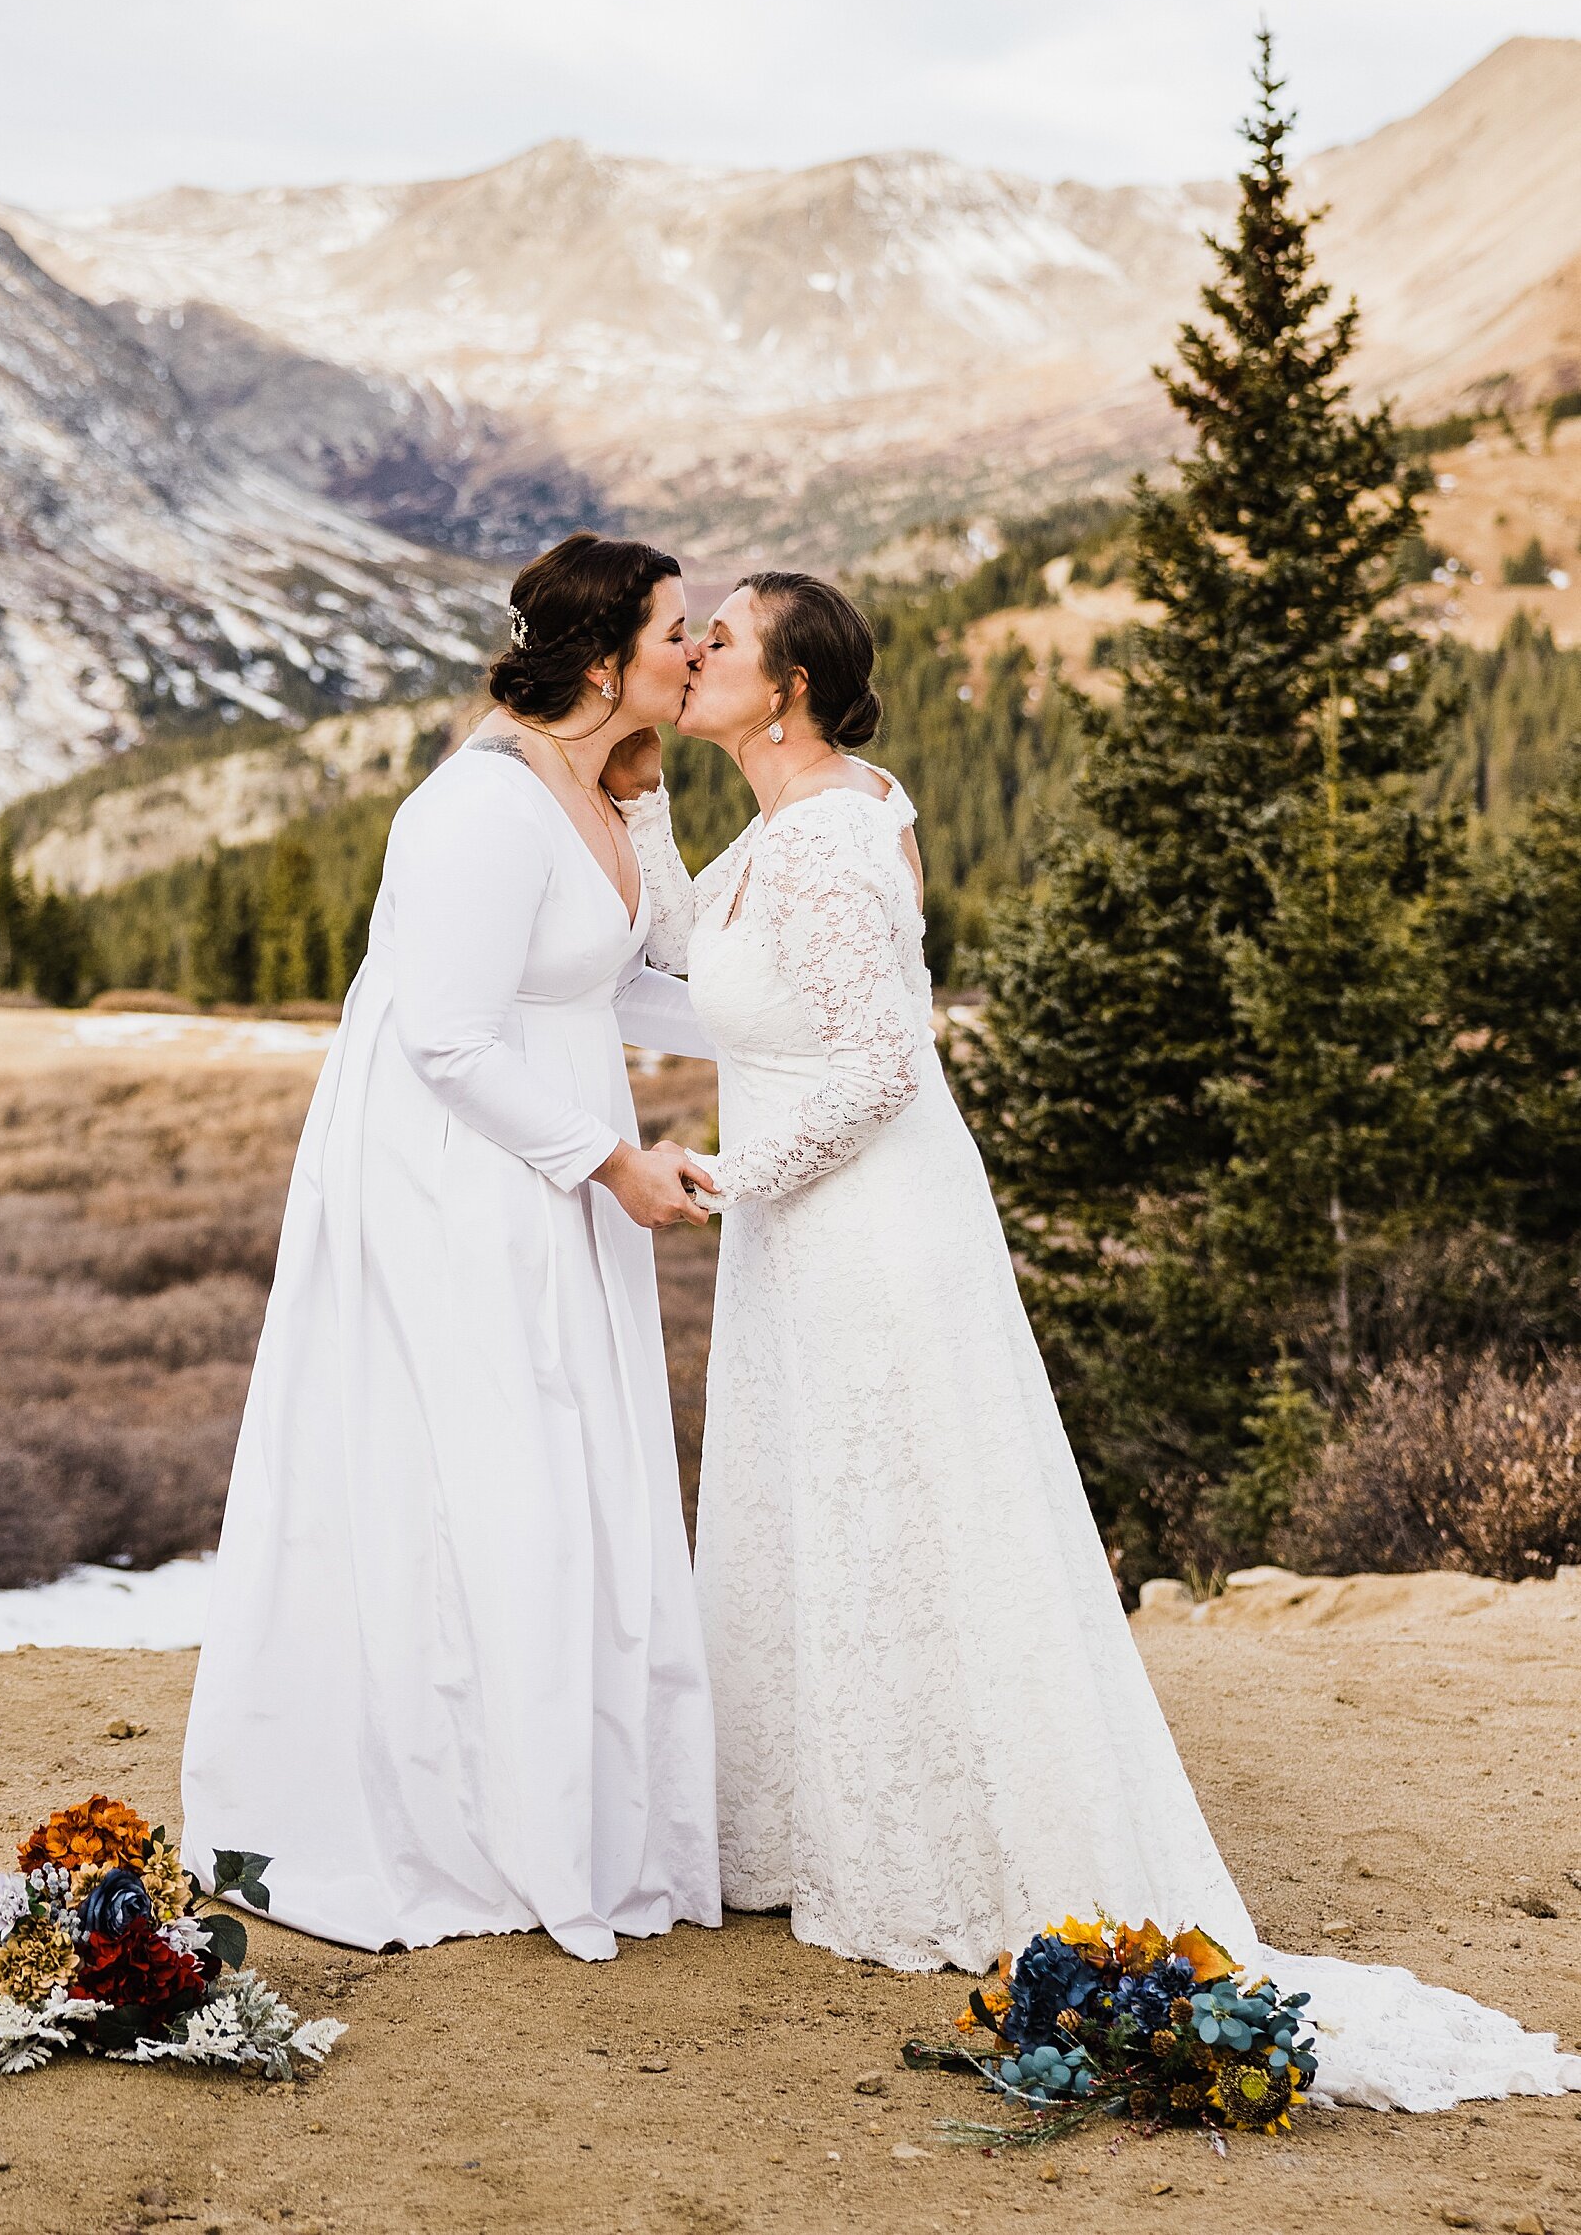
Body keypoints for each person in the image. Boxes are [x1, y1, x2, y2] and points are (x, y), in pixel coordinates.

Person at [614, 565, 1581, 2110]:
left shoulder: (838, 836)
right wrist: (645, 790)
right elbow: (679, 958)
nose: (693, 652)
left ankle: (946, 1841)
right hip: (809, 1238)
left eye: (717, 640)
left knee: (907, 1507)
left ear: (787, 684)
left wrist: (734, 1179)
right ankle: (829, 1823)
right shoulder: (782, 828)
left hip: (863, 1225)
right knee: (833, 1516)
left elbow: (880, 1066)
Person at [182, 533, 719, 1962]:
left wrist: (652, 803)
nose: (701, 648)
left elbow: (641, 974)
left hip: (547, 1156)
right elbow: (446, 1035)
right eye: (679, 629)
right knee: (491, 1481)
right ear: (604, 660)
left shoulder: (596, 783)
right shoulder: (477, 809)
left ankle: (579, 1811)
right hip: (459, 1181)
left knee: (567, 1480)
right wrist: (612, 1164)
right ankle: (469, 1821)